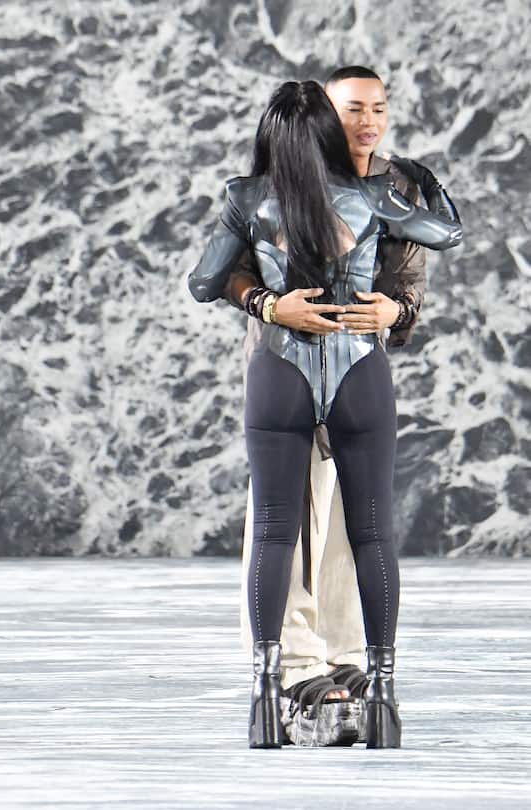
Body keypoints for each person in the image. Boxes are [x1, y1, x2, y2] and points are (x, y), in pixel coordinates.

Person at [188, 80, 462, 750]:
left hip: (278, 372)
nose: (367, 123)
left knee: (277, 535)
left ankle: (263, 696)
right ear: (327, 130)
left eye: (378, 108)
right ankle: (384, 697)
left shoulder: (244, 197)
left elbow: (201, 281)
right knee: (372, 535)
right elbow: (448, 232)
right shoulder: (375, 196)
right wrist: (429, 184)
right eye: (351, 112)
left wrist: (269, 303)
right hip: (356, 372)